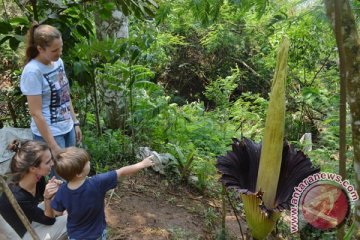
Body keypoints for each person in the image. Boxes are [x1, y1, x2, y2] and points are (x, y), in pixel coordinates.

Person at [51, 147, 154, 240]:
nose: (89, 162)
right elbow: (122, 172)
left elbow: (57, 212)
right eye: (86, 162)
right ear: (78, 173)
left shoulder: (62, 190)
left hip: (75, 236)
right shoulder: (97, 183)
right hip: (96, 235)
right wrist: (142, 164)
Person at [20, 23, 82, 157]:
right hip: (50, 134)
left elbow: (64, 94)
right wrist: (53, 146)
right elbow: (36, 113)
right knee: (59, 177)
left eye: (61, 48)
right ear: (40, 49)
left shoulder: (58, 62)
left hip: (67, 127)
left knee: (72, 173)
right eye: (54, 50)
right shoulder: (32, 72)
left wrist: (75, 122)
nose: (59, 53)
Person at [0, 140, 67, 239]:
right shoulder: (18, 196)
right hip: (21, 235)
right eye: (48, 162)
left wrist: (57, 192)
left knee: (67, 205)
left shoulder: (37, 178)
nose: (52, 163)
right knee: (71, 219)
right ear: (33, 168)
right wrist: (48, 198)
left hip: (29, 218)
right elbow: (49, 220)